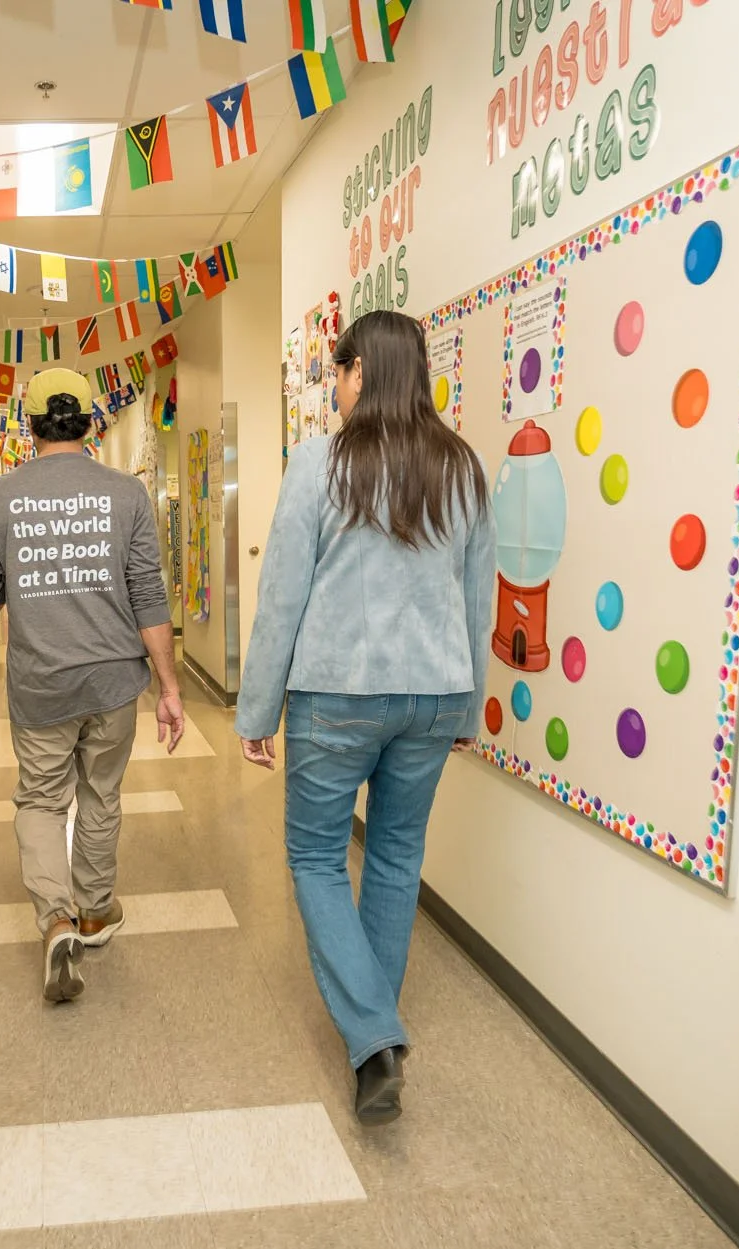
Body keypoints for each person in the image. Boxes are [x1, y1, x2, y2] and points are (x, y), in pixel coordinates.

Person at [236, 309, 496, 1126]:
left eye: (337, 375)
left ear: (356, 374)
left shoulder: (320, 462)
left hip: (337, 693)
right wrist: (470, 705)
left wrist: (257, 708)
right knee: (393, 854)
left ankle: (374, 1035)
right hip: (433, 694)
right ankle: (374, 1036)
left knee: (314, 855)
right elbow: (477, 598)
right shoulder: (462, 466)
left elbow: (283, 592)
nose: (335, 391)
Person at [0, 369, 184, 1004]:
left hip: (40, 684)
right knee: (100, 796)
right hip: (115, 681)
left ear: (28, 427)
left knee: (39, 800)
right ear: (91, 421)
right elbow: (149, 596)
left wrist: (24, 572)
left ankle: (56, 922)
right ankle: (92, 911)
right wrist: (168, 687)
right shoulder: (127, 495)